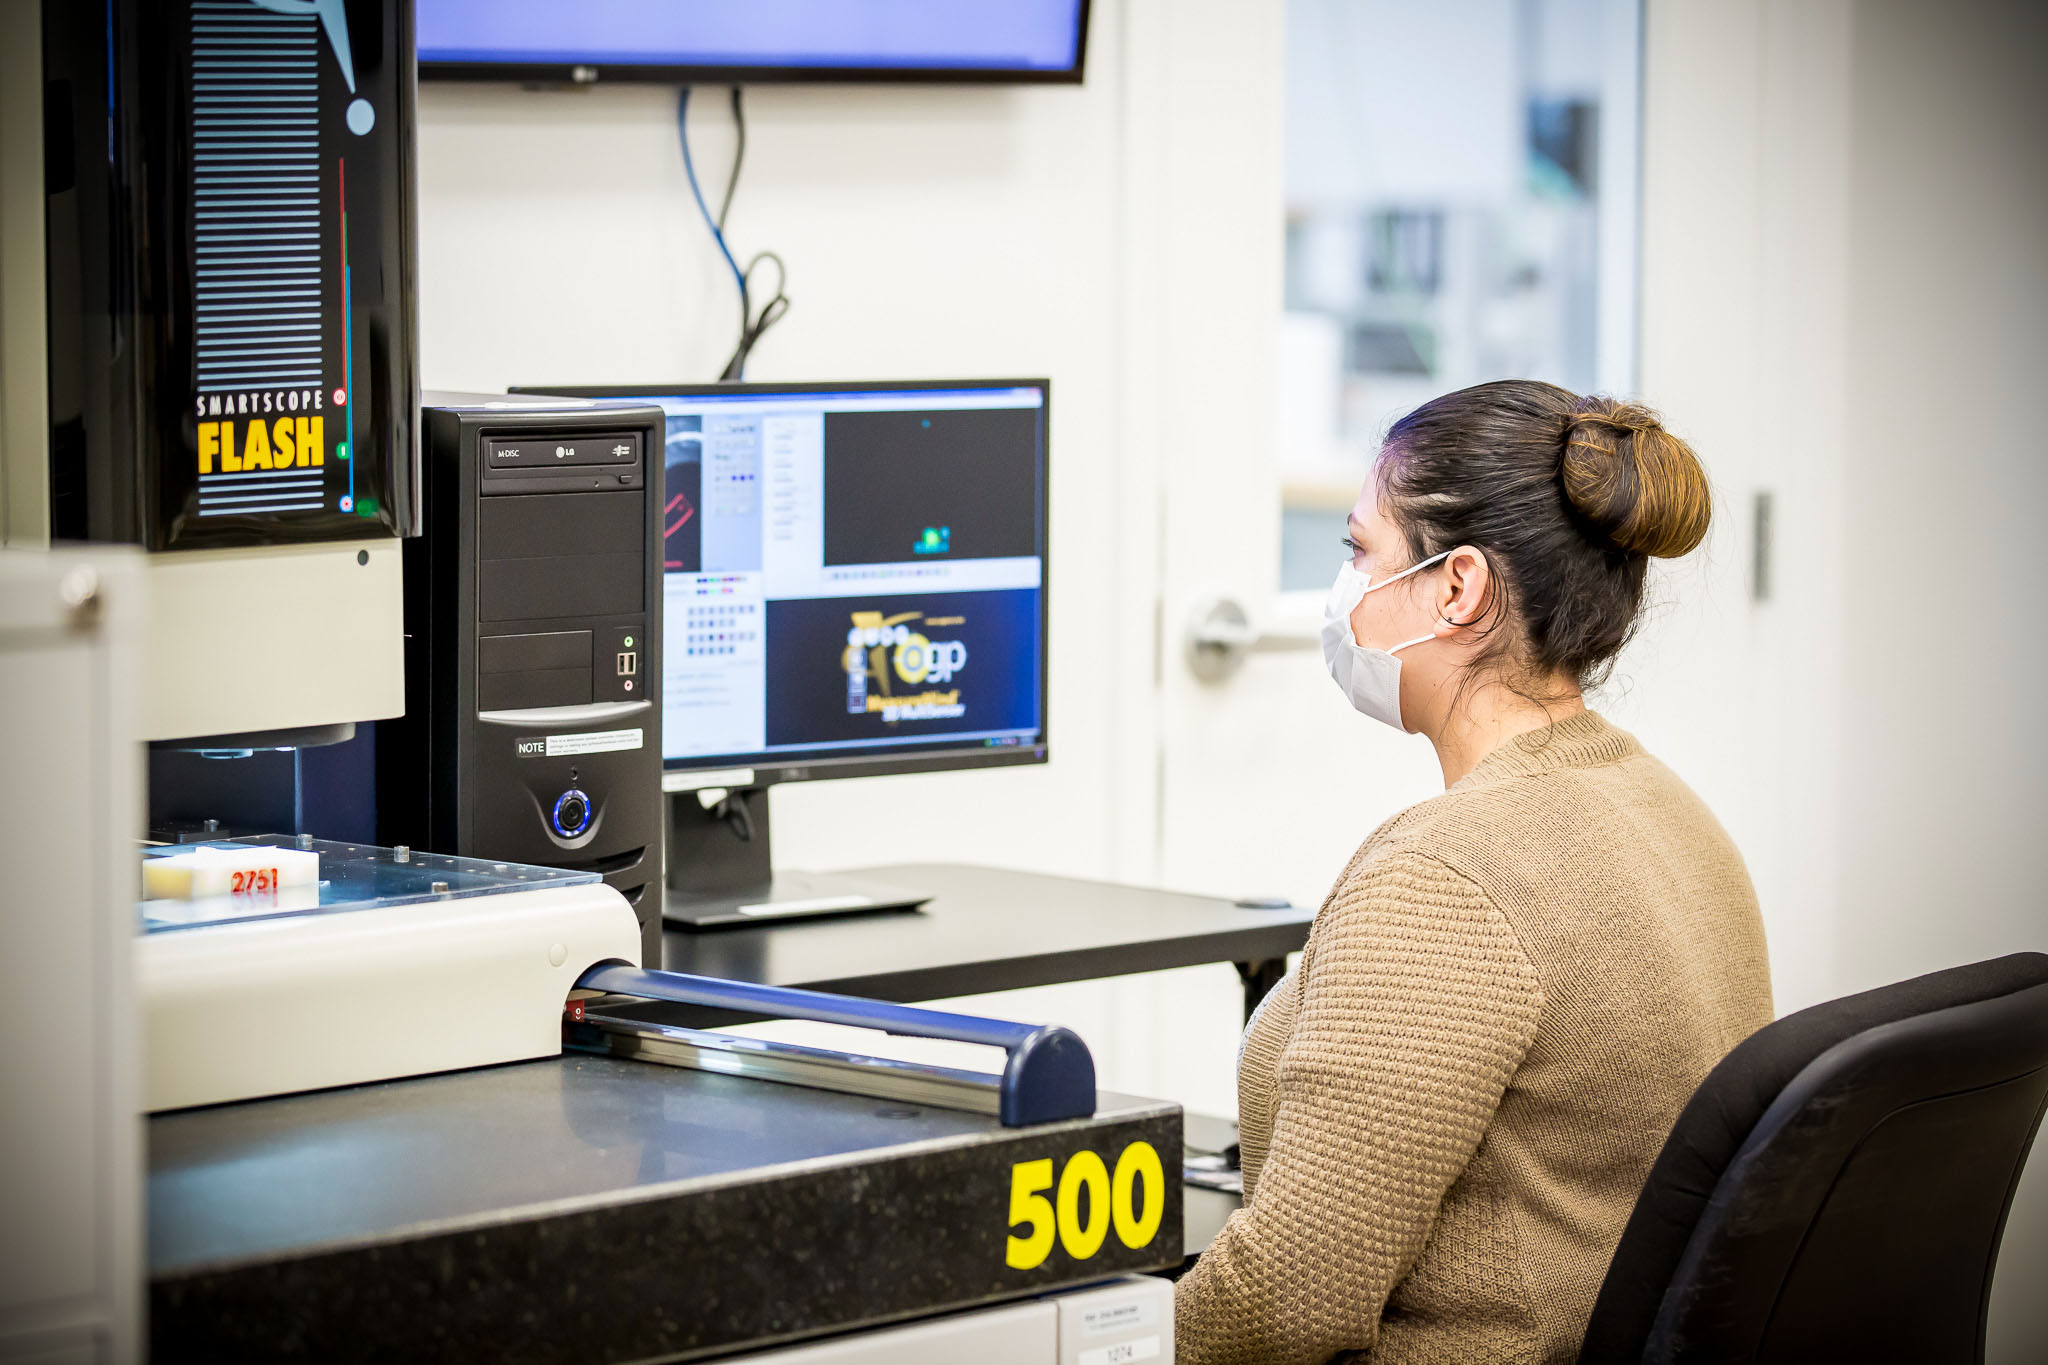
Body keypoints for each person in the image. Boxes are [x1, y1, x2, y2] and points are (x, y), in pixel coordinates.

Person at [1173, 380, 1773, 1365]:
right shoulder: (1677, 816)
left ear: (1455, 588)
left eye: (1358, 552)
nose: (1345, 589)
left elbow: (1288, 1301)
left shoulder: (1438, 879)